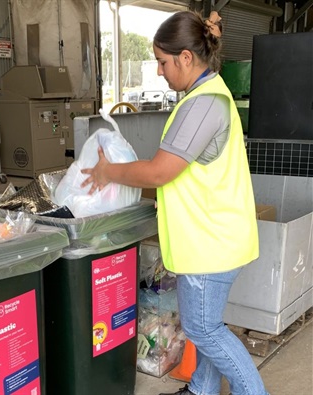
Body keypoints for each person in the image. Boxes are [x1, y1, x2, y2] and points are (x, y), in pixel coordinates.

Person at [81, 10, 269, 395]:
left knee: (204, 329)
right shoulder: (209, 93)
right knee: (206, 322)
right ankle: (201, 388)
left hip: (209, 242)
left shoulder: (203, 104)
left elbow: (158, 173)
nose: (160, 72)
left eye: (163, 62)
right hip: (216, 235)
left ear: (186, 58)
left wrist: (107, 172)